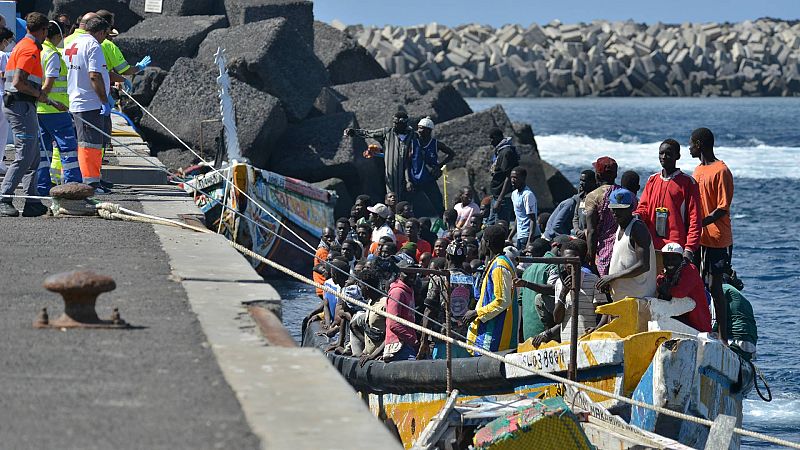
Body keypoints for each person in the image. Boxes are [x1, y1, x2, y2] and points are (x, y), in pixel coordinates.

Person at [0, 13, 56, 217]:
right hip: (20, 106)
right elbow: (18, 82)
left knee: (32, 156)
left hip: (21, 105)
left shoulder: (22, 46)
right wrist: (40, 95)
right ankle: (4, 198)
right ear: (43, 30)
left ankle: (31, 201)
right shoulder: (29, 49)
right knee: (25, 155)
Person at [690, 127, 733, 343]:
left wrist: (701, 222)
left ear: (699, 145)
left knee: (715, 287)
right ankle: (701, 328)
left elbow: (722, 208)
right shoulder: (697, 170)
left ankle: (723, 337)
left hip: (717, 238)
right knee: (696, 285)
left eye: (691, 144)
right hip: (698, 238)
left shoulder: (721, 170)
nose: (689, 148)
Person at [65, 16, 112, 193]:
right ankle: (90, 183)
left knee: (82, 143)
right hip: (89, 102)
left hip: (74, 98)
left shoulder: (73, 43)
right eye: (106, 34)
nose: (105, 38)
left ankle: (89, 180)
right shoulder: (93, 46)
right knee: (90, 145)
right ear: (100, 32)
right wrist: (104, 100)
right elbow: (94, 75)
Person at [635, 139, 702, 262]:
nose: (664, 157)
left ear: (678, 156)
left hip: (675, 248)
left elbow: (695, 219)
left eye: (668, 154)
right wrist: (636, 216)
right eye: (661, 153)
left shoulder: (688, 183)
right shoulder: (652, 180)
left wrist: (689, 248)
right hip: (651, 244)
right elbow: (643, 208)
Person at [35, 17, 82, 194]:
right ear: (56, 36)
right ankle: (72, 184)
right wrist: (52, 102)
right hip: (55, 109)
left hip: (39, 110)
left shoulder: (39, 51)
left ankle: (42, 186)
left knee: (43, 151)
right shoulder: (53, 55)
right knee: (68, 148)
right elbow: (49, 84)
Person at [464, 224, 519, 353]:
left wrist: (476, 313)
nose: (480, 245)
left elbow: (502, 301)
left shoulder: (499, 266)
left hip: (494, 336)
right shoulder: (497, 262)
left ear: (487, 243)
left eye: (482, 241)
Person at [418, 240, 475, 360]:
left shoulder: (439, 278)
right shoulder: (471, 280)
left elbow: (429, 311)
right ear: (464, 258)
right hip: (465, 340)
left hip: (443, 340)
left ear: (447, 257)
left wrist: (424, 341)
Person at [597, 188, 657, 301]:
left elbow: (643, 265)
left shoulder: (637, 229)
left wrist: (612, 277)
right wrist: (610, 281)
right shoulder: (619, 227)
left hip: (638, 299)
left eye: (621, 209)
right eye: (614, 209)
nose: (616, 213)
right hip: (622, 299)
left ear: (631, 208)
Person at [345, 110, 417, 202]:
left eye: (397, 123)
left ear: (404, 124)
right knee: (393, 199)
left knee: (408, 202)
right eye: (394, 123)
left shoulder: (412, 135)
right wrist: (354, 132)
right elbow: (369, 133)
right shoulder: (387, 132)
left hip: (410, 174)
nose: (394, 125)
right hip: (392, 175)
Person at [514, 236, 568, 342]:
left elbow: (520, 301)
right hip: (545, 334)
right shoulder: (555, 265)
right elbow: (554, 289)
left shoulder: (527, 271)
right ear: (558, 247)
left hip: (528, 332)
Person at [553, 239, 604, 343]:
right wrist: (563, 293)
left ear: (580, 261)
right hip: (566, 342)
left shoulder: (593, 280)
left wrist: (597, 329)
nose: (569, 264)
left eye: (573, 260)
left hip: (587, 341)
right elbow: (557, 319)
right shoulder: (559, 283)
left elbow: (604, 311)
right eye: (566, 261)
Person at [655, 242, 712, 332]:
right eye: (667, 259)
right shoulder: (666, 274)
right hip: (681, 320)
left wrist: (666, 289)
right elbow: (660, 284)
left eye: (674, 259)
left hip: (698, 325)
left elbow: (680, 292)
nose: (670, 262)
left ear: (681, 259)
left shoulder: (690, 269)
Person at [408, 116, 454, 215]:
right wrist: (408, 180)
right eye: (418, 128)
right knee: (411, 207)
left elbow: (451, 154)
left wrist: (439, 166)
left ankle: (443, 222)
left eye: (422, 128)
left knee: (438, 204)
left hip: (429, 179)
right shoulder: (413, 142)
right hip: (414, 180)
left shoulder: (436, 144)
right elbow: (407, 162)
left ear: (429, 130)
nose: (419, 131)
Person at [585, 156, 621, 276]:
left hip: (604, 251)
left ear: (598, 175)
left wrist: (591, 258)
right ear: (615, 175)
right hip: (624, 248)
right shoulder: (628, 195)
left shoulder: (593, 196)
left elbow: (592, 231)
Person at [382, 261, 419, 362]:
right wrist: (413, 340)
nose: (412, 276)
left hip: (407, 343)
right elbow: (394, 324)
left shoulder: (409, 291)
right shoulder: (397, 292)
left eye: (414, 272)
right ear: (399, 274)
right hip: (399, 345)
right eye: (407, 273)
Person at [715, 278, 757, 361]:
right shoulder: (736, 293)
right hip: (750, 346)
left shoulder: (721, 290)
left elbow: (715, 320)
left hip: (736, 342)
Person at [544, 170, 592, 240]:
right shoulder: (570, 203)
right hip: (551, 237)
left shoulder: (576, 204)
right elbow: (556, 226)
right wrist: (570, 238)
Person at [486, 127, 519, 225]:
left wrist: (500, 199)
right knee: (490, 224)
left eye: (492, 139)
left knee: (500, 225)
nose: (490, 142)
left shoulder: (506, 152)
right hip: (497, 195)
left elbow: (508, 176)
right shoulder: (500, 151)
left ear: (497, 137)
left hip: (503, 197)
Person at [508, 166, 539, 250]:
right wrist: (510, 236)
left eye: (515, 178)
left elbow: (532, 219)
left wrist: (530, 241)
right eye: (511, 177)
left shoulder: (528, 195)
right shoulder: (514, 194)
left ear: (523, 178)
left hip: (529, 236)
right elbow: (518, 217)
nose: (512, 180)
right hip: (520, 236)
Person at [0, 27, 15, 176]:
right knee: (2, 131)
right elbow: (6, 74)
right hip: (1, 95)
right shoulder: (3, 55)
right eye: (9, 41)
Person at [571, 170, 598, 239]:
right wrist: (577, 231)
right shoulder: (580, 197)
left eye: (584, 181)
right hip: (579, 235)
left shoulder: (597, 198)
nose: (581, 183)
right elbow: (576, 217)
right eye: (580, 180)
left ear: (592, 183)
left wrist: (586, 233)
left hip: (592, 237)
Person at [312, 227, 336, 299]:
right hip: (323, 288)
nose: (329, 239)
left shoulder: (327, 249)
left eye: (331, 237)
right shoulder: (323, 251)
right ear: (322, 237)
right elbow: (329, 270)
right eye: (326, 237)